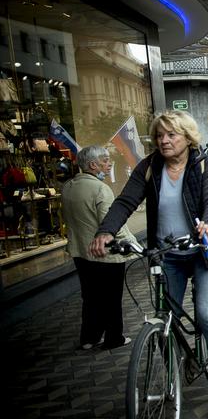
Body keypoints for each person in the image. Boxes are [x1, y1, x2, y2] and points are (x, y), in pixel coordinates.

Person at [91, 110, 208, 401]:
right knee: (164, 318)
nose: (164, 140)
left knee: (206, 314)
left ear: (187, 137)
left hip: (203, 251)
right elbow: (125, 201)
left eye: (171, 135)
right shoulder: (149, 167)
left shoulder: (205, 165)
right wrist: (106, 231)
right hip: (167, 254)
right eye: (159, 135)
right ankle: (173, 373)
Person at [63, 145, 134, 350]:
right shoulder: (100, 188)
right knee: (111, 298)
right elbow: (111, 223)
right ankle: (114, 338)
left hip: (80, 252)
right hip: (104, 253)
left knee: (91, 296)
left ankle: (89, 337)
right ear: (93, 165)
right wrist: (133, 244)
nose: (109, 163)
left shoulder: (68, 186)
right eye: (105, 160)